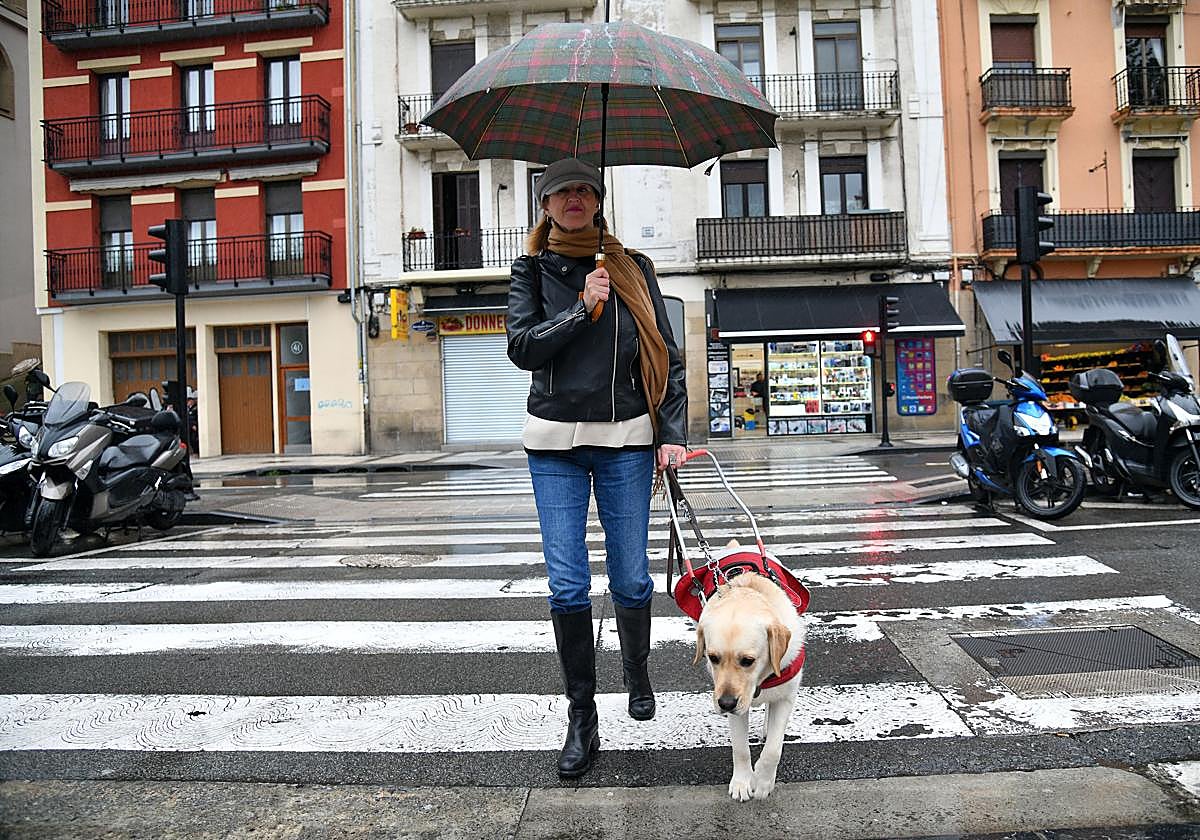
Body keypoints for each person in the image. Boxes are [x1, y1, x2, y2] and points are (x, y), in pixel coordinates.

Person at [506, 157, 688, 779]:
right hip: (555, 443)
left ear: (599, 200)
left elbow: (670, 354)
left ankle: (637, 674)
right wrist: (582, 308)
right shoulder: (529, 270)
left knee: (634, 579)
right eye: (562, 192)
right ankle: (582, 717)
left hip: (628, 442)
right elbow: (522, 347)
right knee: (567, 585)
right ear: (546, 205)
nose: (574, 199)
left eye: (585, 190)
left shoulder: (633, 269)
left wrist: (672, 436)